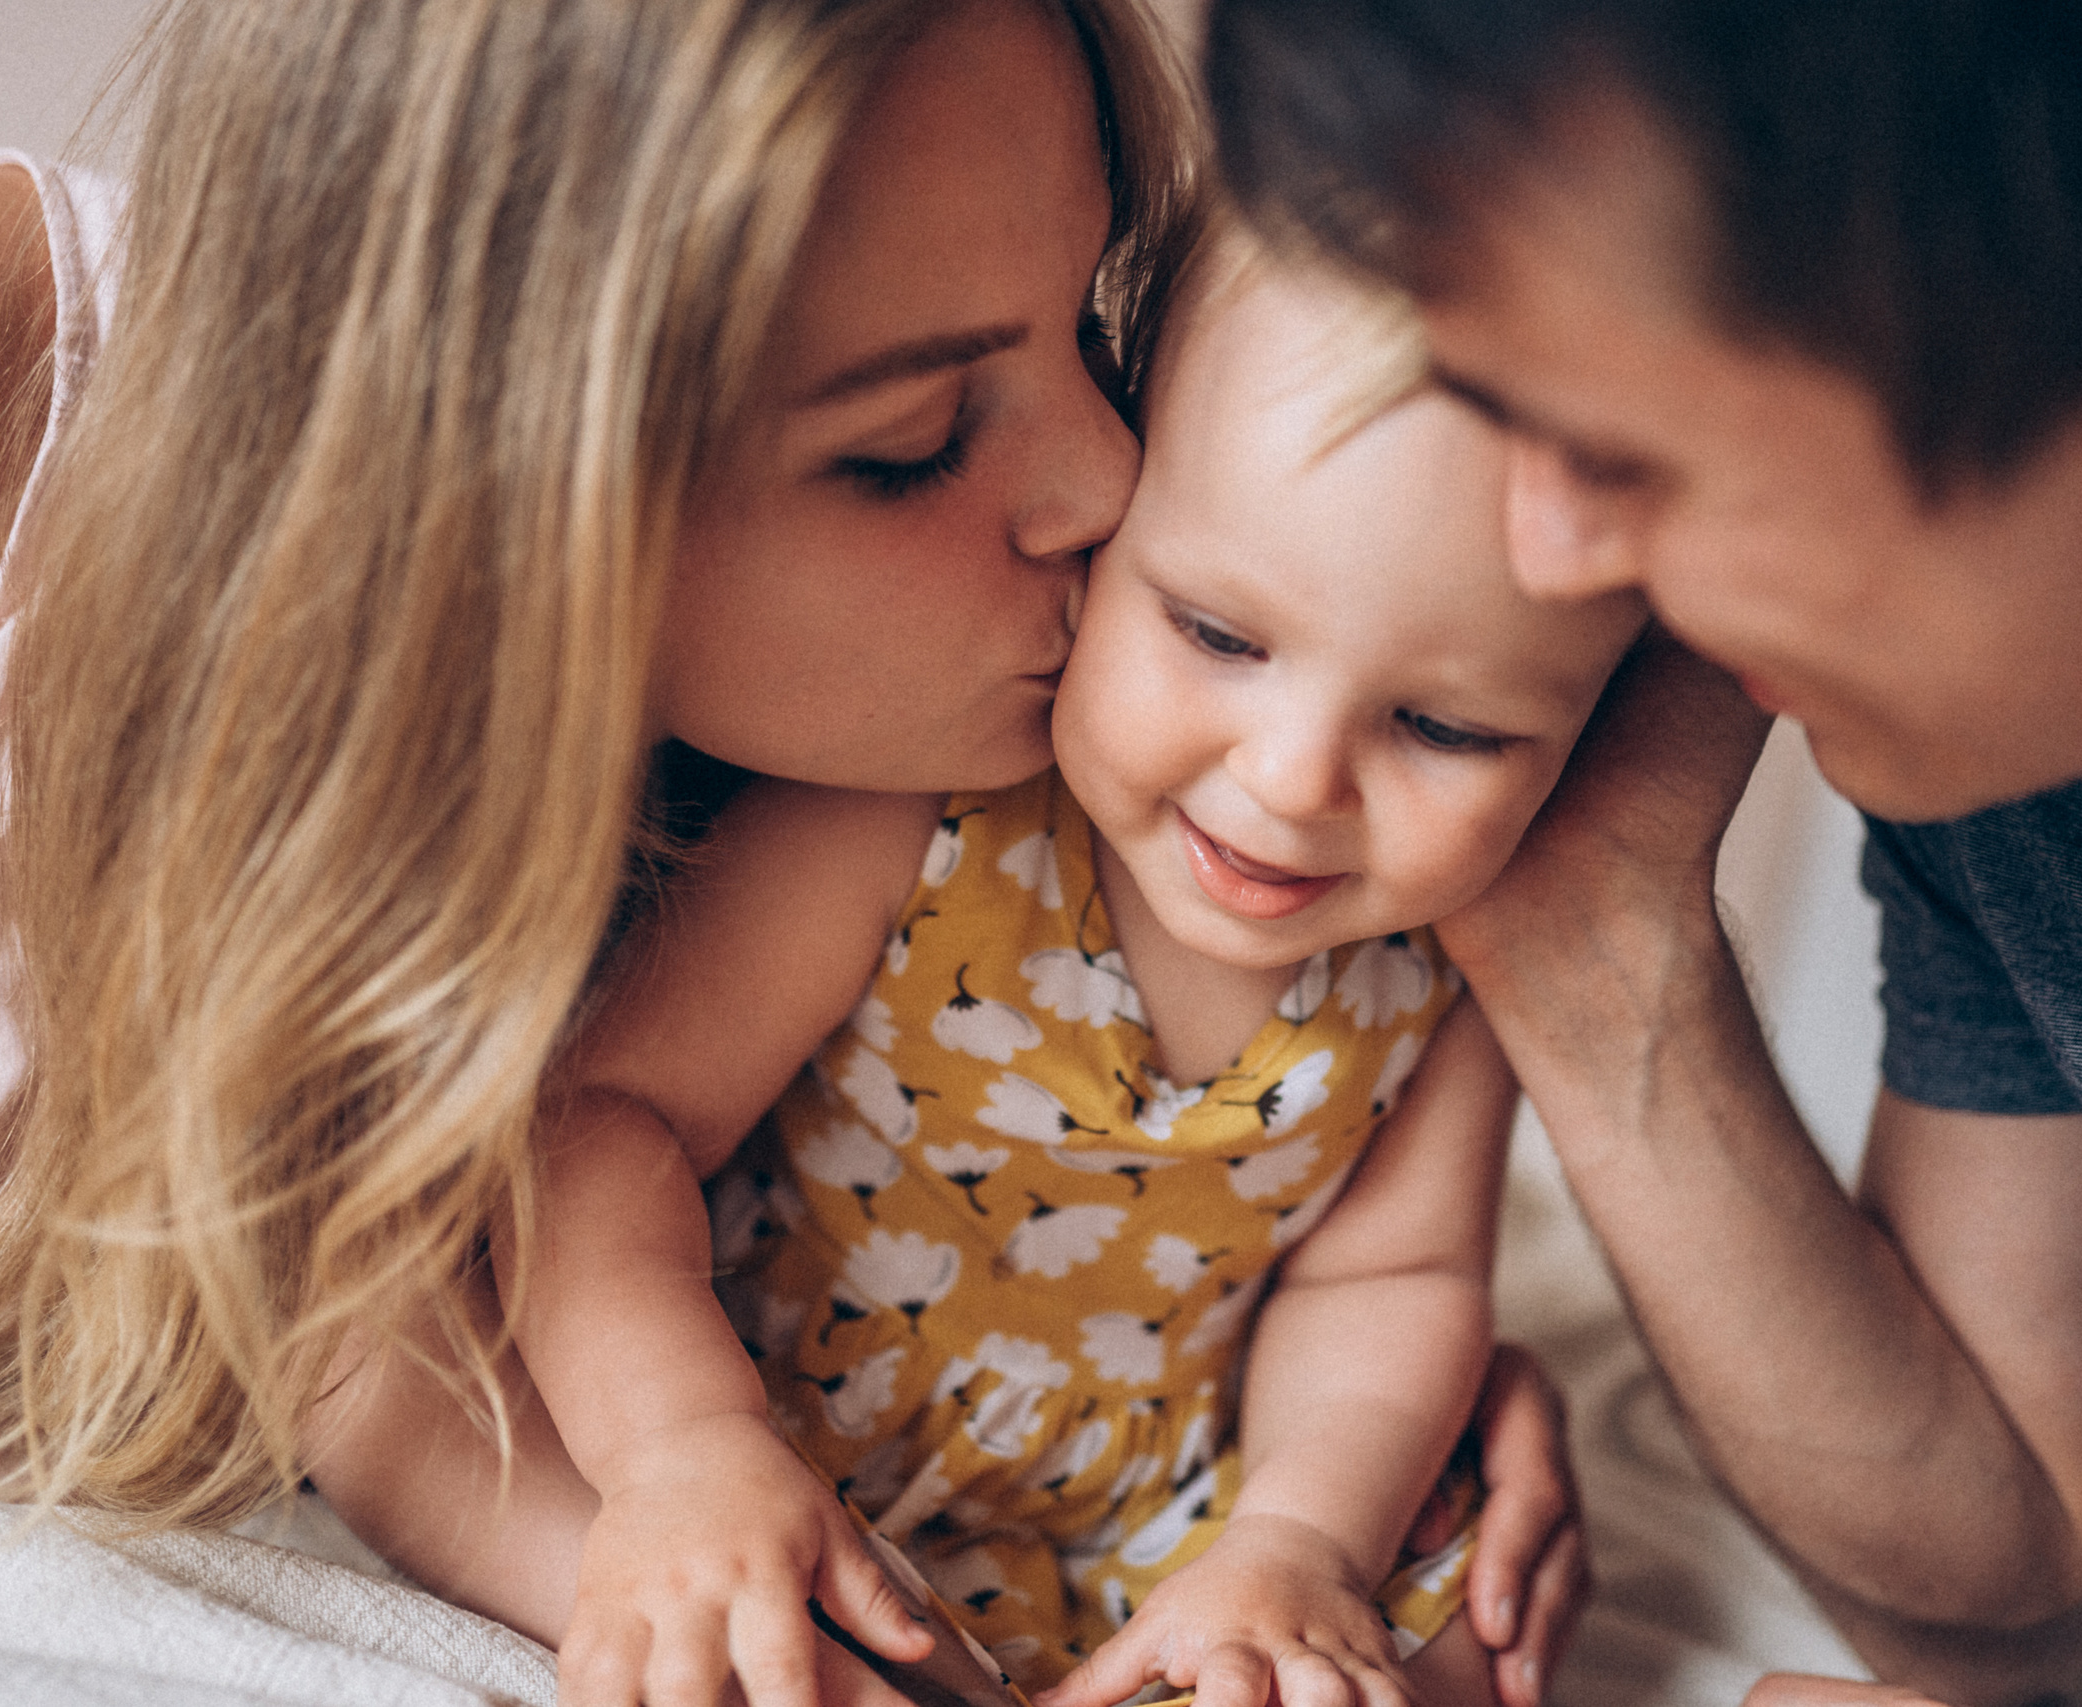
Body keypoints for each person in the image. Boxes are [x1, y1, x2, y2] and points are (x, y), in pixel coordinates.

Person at [0, 0, 1582, 1695]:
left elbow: (376, 1369)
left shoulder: (833, 762)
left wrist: (1323, 1473)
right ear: (507, 462)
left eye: (1093, 333)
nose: (1114, 483)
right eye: (915, 439)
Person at [1201, 0, 2082, 1702]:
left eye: (1622, 457)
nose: (1551, 554)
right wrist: (1589, 936)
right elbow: (2001, 1563)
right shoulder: (2061, 731)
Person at [467, 226, 1641, 1707]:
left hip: (1158, 1501)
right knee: (704, 1605)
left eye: (1449, 729)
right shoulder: (919, 812)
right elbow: (605, 1117)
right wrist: (679, 1452)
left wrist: (1294, 1543)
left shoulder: (1438, 962)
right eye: (1217, 633)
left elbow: (1391, 1280)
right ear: (1107, 525)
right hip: (764, 1416)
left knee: (1461, 1622)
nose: (1290, 781)